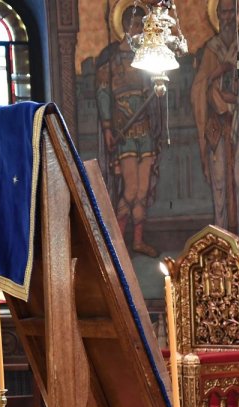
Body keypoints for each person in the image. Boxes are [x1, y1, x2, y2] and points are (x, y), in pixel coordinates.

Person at [191, 0, 239, 248]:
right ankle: (222, 248)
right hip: (216, 128)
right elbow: (198, 88)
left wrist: (235, 98)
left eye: (230, 12)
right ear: (217, 16)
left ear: (236, 14)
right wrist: (217, 73)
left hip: (238, 125)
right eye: (222, 12)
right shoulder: (210, 50)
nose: (226, 17)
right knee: (220, 186)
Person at [95, 3, 163, 257]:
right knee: (131, 190)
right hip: (125, 131)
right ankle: (118, 243)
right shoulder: (112, 60)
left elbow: (154, 93)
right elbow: (103, 94)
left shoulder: (148, 60)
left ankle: (137, 241)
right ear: (125, 27)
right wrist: (107, 128)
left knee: (142, 192)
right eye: (136, 25)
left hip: (144, 130)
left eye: (144, 27)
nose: (140, 31)